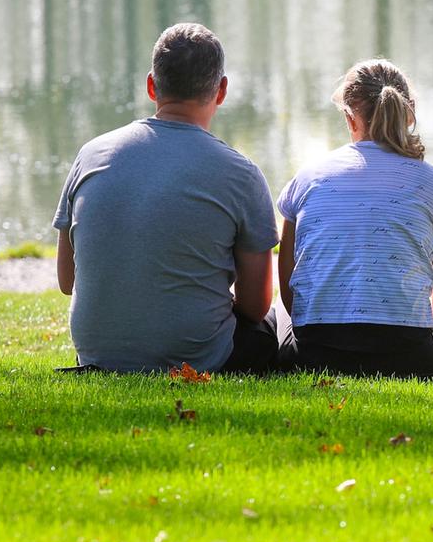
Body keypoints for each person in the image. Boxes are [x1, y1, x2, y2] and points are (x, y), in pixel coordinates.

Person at [54, 23, 292, 372]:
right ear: (222, 90)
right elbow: (255, 308)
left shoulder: (91, 154)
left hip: (97, 355)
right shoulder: (240, 173)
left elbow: (67, 280)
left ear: (152, 85)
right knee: (276, 324)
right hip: (200, 359)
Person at [277, 59, 433, 375]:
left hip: (315, 354)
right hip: (410, 357)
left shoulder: (306, 179)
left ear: (349, 116)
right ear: (410, 111)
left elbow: (294, 303)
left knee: (276, 315)